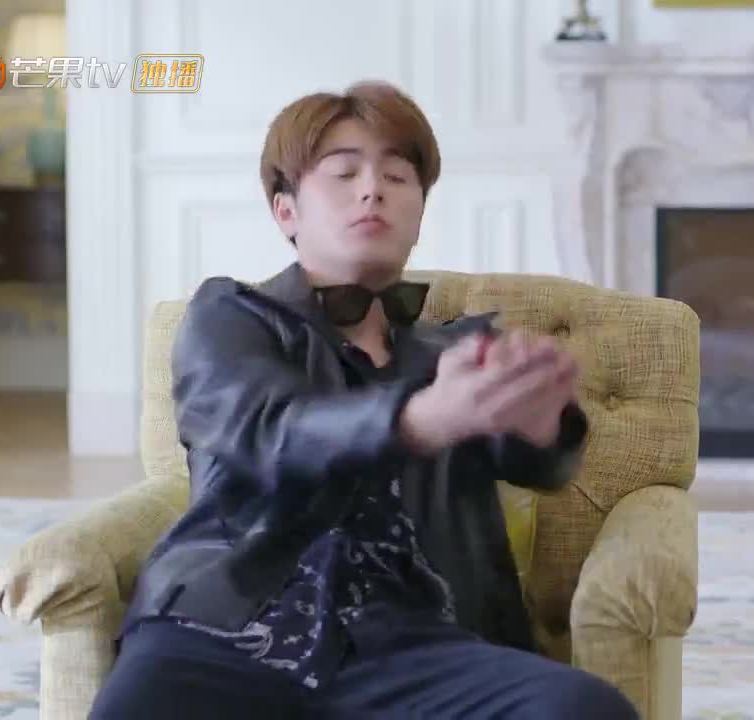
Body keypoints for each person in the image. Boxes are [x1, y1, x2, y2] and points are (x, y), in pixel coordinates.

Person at [88, 81, 639, 719]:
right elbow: (266, 431)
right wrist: (418, 420)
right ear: (286, 212)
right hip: (227, 626)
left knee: (584, 708)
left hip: (412, 641)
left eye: (398, 177)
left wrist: (544, 425)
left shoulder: (459, 355)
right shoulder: (228, 317)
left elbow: (537, 463)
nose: (373, 189)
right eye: (344, 173)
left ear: (419, 212)